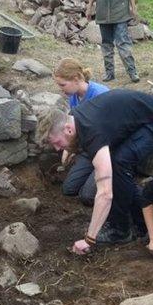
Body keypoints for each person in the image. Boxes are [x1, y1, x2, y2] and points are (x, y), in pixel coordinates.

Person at [40, 89, 153, 254]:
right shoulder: (75, 118)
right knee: (118, 167)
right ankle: (141, 222)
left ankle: (120, 230)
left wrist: (89, 239)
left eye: (57, 142)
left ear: (68, 130)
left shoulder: (91, 131)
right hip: (148, 116)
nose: (57, 148)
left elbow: (105, 194)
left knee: (119, 164)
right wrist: (68, 148)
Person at [54, 58, 110, 207]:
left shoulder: (100, 95)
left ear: (76, 79)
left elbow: (110, 130)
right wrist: (69, 148)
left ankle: (116, 180)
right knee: (69, 189)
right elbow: (74, 125)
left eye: (62, 85)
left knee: (87, 196)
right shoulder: (74, 96)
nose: (61, 89)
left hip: (108, 149)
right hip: (89, 148)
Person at [85, 0, 139, 83]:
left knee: (123, 43)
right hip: (103, 13)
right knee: (106, 44)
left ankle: (132, 72)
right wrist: (89, 8)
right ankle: (109, 73)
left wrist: (133, 8)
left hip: (120, 12)